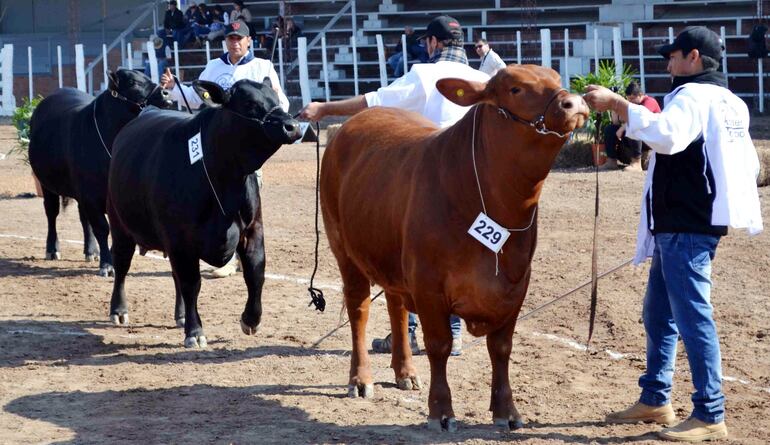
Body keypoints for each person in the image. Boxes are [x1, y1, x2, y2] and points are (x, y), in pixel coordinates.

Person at [584, 26, 763, 442]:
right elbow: (747, 166)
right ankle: (655, 398)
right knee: (660, 313)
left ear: (694, 57)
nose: (668, 64)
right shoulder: (731, 102)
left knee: (690, 316)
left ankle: (709, 412)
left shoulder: (693, 96)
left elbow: (669, 136)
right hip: (691, 221)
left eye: (674, 56)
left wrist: (619, 106)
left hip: (684, 221)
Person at [300, 15, 490, 356]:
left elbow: (373, 103)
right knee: (459, 254)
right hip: (476, 185)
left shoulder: (425, 74)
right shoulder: (484, 79)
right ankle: (454, 329)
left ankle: (413, 331)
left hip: (431, 180)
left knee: (414, 254)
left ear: (433, 43)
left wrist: (325, 108)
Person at [160, 21, 289, 278]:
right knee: (219, 201)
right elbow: (198, 98)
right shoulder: (214, 67)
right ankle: (228, 255)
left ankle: (246, 252)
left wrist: (276, 101)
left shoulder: (262, 67)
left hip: (248, 150)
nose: (235, 42)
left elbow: (281, 102)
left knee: (248, 203)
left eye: (240, 38)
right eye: (231, 38)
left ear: (249, 41)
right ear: (226, 41)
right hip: (218, 150)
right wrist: (175, 88)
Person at [601, 81, 661, 172]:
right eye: (628, 99)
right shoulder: (632, 105)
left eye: (632, 98)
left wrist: (621, 129)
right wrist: (614, 107)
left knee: (634, 127)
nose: (630, 101)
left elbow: (638, 120)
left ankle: (636, 163)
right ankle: (611, 161)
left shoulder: (650, 102)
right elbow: (616, 123)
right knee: (610, 129)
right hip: (636, 139)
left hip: (650, 139)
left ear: (640, 95)